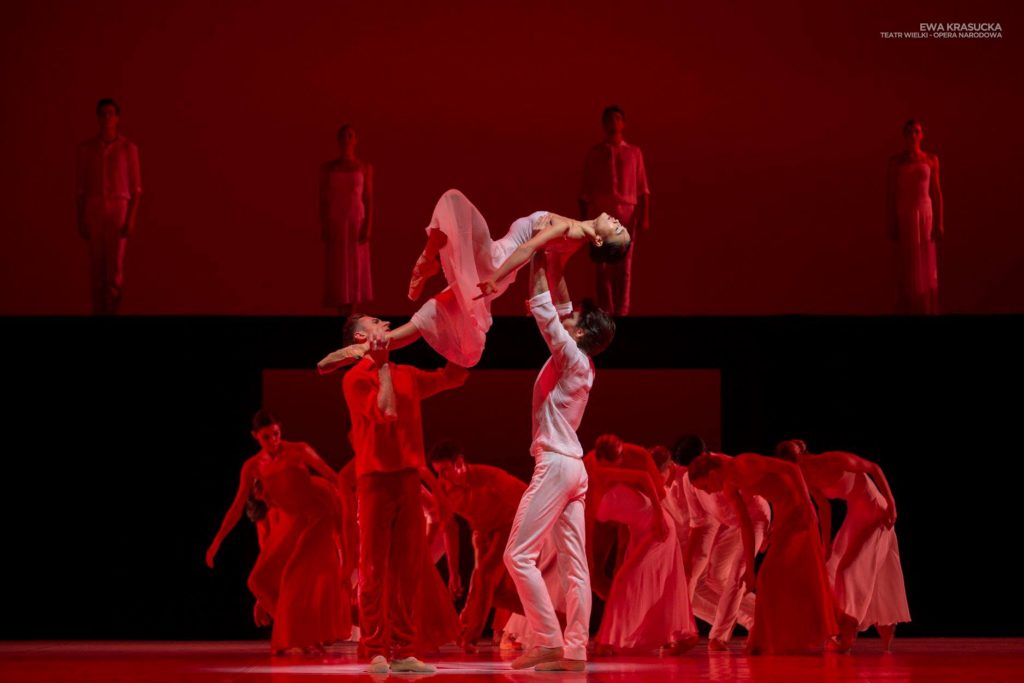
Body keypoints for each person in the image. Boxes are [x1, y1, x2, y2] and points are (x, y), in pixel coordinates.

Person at [317, 189, 630, 371]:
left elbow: (530, 250)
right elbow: (555, 270)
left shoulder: (568, 231)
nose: (617, 221)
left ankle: (427, 259)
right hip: (497, 269)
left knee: (454, 202)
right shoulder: (573, 235)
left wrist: (496, 277)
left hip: (494, 263)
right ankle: (367, 348)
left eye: (617, 230)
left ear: (600, 242)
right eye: (620, 225)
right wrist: (559, 314)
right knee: (433, 313)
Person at [503, 249, 615, 672]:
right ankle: (575, 650)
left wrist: (535, 249)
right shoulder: (583, 362)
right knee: (575, 567)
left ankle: (549, 641)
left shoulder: (569, 354)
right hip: (574, 468)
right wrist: (555, 260)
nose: (567, 317)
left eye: (575, 319)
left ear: (580, 332)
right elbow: (561, 304)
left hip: (554, 464)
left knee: (518, 555)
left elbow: (543, 306)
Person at [339, 313, 469, 673]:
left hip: (408, 479)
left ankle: (404, 649)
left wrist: (463, 332)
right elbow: (386, 411)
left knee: (408, 568)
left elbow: (453, 377)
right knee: (373, 568)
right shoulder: (354, 379)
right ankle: (376, 648)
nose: (385, 323)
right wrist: (381, 365)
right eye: (375, 322)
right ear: (361, 337)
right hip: (375, 480)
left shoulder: (406, 374)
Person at [688, 452, 837, 655]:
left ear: (713, 473)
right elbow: (746, 527)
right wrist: (750, 571)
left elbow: (790, 468)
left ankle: (828, 626)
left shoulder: (745, 463)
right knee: (771, 577)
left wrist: (807, 502)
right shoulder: (729, 487)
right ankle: (775, 634)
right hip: (783, 513)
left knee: (785, 574)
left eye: (706, 486)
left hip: (797, 509)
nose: (708, 492)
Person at [775, 440, 909, 651]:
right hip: (856, 516)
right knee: (829, 570)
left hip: (877, 513)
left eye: (797, 459)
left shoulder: (833, 460)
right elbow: (824, 507)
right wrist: (826, 545)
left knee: (847, 572)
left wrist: (891, 504)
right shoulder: (805, 478)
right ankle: (838, 626)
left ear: (803, 454)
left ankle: (848, 631)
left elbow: (874, 468)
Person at [428, 440, 530, 652]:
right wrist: (453, 574)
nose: (441, 477)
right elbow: (450, 529)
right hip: (481, 534)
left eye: (445, 470)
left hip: (510, 527)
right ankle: (553, 618)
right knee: (493, 592)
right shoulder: (443, 490)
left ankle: (468, 635)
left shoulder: (489, 477)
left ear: (460, 463)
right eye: (437, 472)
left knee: (484, 576)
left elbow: (528, 498)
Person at [579, 105, 650, 316]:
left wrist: (644, 216)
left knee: (624, 264)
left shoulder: (634, 153)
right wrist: (584, 221)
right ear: (604, 124)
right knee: (602, 263)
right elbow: (585, 191)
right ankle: (606, 308)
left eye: (618, 119)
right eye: (609, 119)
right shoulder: (595, 154)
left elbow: (643, 189)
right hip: (602, 212)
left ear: (623, 123)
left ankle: (622, 309)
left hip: (627, 211)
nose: (614, 123)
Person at [76, 98, 142, 315]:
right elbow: (81, 188)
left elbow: (136, 189)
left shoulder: (128, 149)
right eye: (103, 114)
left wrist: (131, 219)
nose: (107, 118)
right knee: (96, 267)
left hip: (118, 207)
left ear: (118, 118)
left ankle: (113, 312)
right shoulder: (87, 149)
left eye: (111, 114)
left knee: (115, 268)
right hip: (95, 207)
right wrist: (81, 217)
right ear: (98, 117)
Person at [887, 119, 944, 314]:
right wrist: (891, 221)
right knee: (908, 262)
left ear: (922, 135)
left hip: (925, 214)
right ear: (904, 135)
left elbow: (936, 191)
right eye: (909, 132)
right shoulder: (896, 162)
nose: (913, 135)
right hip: (906, 214)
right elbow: (891, 193)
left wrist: (940, 221)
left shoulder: (931, 159)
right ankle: (909, 308)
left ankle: (926, 308)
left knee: (925, 259)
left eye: (916, 132)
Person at [320, 124, 374, 315]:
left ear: (356, 140)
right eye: (343, 136)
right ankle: (340, 313)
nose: (346, 139)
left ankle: (353, 313)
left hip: (356, 220)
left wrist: (368, 225)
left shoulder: (364, 167)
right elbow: (323, 199)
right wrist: (324, 225)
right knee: (338, 266)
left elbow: (368, 198)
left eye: (350, 136)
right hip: (336, 220)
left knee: (355, 265)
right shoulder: (328, 168)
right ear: (338, 140)